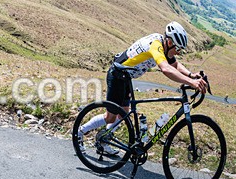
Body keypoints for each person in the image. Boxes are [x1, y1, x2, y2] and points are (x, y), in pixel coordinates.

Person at [78, 21, 206, 152]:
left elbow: (175, 64)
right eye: (177, 49)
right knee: (110, 117)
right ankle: (80, 132)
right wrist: (191, 83)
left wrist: (191, 75)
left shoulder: (163, 44)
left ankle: (103, 141)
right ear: (169, 42)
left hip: (125, 77)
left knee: (123, 115)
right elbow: (166, 69)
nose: (178, 53)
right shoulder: (156, 45)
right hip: (117, 76)